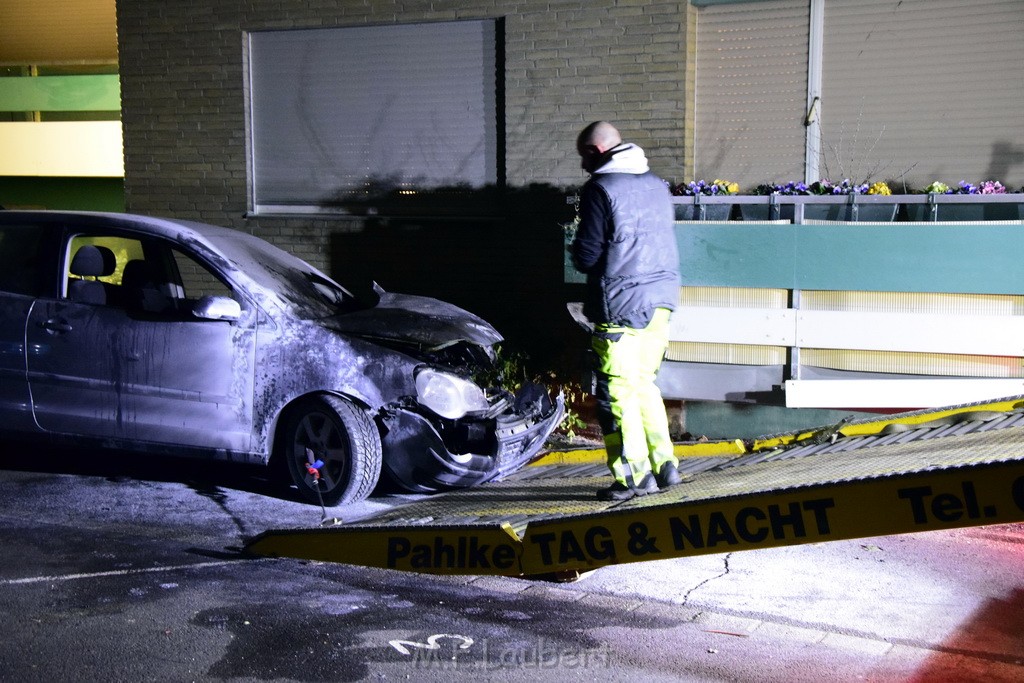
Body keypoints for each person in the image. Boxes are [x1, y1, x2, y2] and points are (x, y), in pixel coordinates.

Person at [570, 121, 684, 501]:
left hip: (620, 307)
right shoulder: (656, 184)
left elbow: (587, 255)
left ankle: (633, 479)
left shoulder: (600, 189)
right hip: (662, 301)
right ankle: (665, 466)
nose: (583, 165)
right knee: (643, 384)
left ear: (595, 152)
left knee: (615, 394)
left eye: (583, 156)